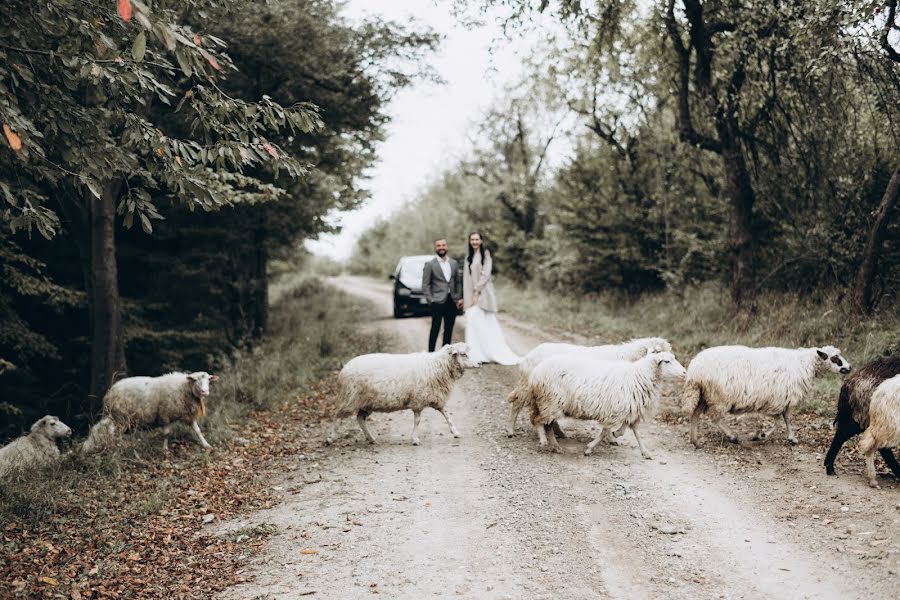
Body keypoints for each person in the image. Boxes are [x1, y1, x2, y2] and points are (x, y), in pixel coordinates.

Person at [462, 232, 521, 365]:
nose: (474, 242)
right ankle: (476, 354)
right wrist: (467, 297)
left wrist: (477, 292)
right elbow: (466, 279)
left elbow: (486, 274)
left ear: (481, 241)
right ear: (469, 241)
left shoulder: (485, 255)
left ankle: (490, 352)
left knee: (486, 324)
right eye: (472, 239)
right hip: (471, 296)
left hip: (483, 295)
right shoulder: (468, 258)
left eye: (477, 239)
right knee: (473, 323)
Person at [422, 237, 464, 352]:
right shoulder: (430, 264)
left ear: (447, 247)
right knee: (435, 328)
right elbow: (425, 285)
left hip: (452, 300)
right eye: (439, 246)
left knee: (449, 328)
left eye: (443, 245)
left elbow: (458, 281)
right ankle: (430, 353)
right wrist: (431, 300)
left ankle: (445, 353)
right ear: (435, 248)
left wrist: (459, 297)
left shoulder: (453, 263)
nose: (441, 247)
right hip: (437, 301)